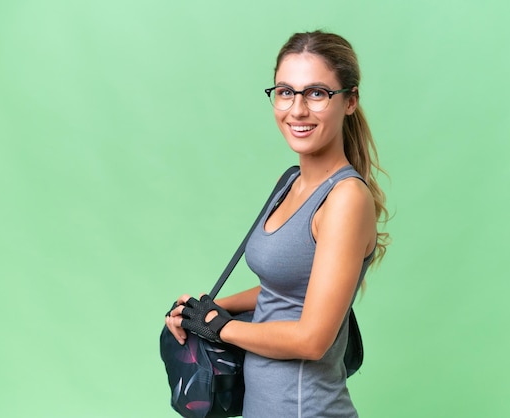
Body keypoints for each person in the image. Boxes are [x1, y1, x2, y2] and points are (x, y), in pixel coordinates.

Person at [165, 30, 389, 417]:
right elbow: (285, 288)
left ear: (349, 101)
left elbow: (312, 340)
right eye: (286, 92)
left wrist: (220, 326)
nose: (297, 109)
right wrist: (206, 308)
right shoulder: (291, 182)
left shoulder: (346, 199)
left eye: (317, 93)